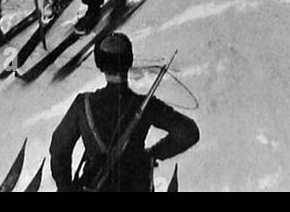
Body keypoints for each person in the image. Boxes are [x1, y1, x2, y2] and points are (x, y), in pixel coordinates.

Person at [49, 32, 199, 192]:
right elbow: (188, 132)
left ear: (100, 64)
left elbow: (59, 149)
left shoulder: (83, 104)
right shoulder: (146, 105)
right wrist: (152, 154)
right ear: (128, 61)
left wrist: (65, 188)